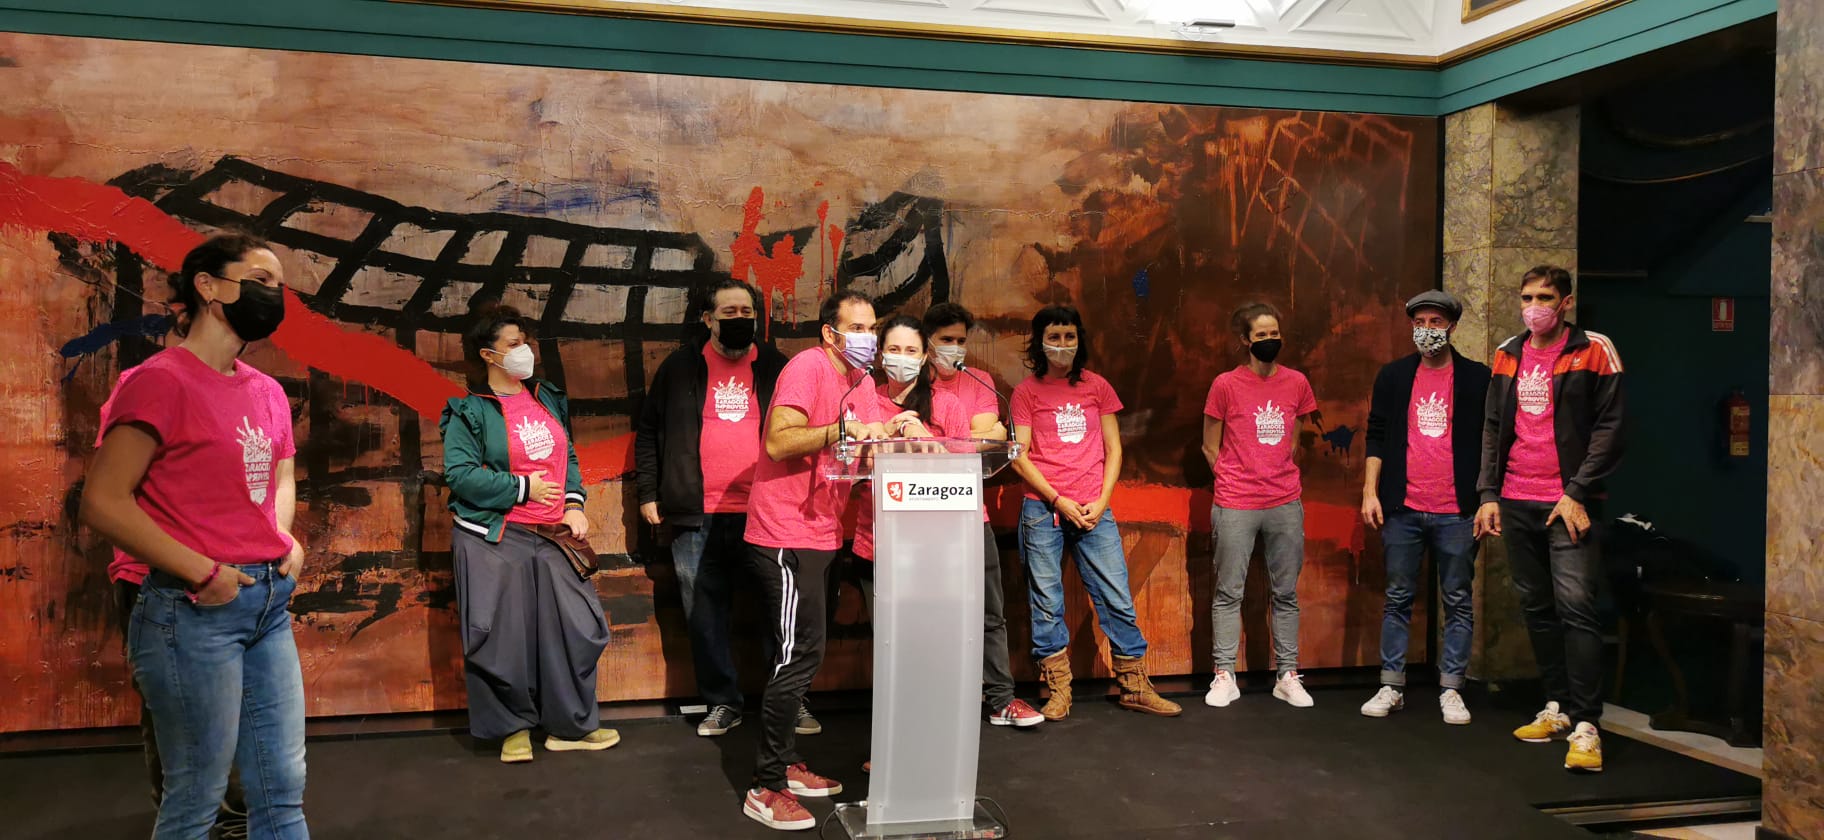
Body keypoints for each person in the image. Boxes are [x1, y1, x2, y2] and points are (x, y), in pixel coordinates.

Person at [80, 232, 309, 839]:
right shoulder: (159, 382)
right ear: (208, 286)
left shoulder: (266, 390)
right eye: (259, 280)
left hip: (267, 604)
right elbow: (102, 501)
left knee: (282, 788)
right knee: (197, 799)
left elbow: (280, 474)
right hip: (192, 606)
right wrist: (204, 572)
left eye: (278, 284)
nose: (273, 294)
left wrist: (282, 536)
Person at [634, 279, 820, 739]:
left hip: (768, 511)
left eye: (746, 312)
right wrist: (648, 492)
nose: (740, 319)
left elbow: (802, 430)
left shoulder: (777, 366)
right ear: (708, 319)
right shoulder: (679, 368)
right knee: (704, 615)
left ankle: (789, 702)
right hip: (695, 515)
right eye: (729, 312)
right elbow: (650, 432)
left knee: (779, 612)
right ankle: (722, 702)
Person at [439, 303, 617, 764]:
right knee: (502, 635)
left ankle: (570, 725)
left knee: (574, 628)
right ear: (489, 355)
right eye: (514, 344)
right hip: (495, 535)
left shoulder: (545, 396)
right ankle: (512, 728)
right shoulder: (470, 410)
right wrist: (522, 487)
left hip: (553, 533)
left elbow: (567, 454)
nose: (526, 351)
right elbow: (459, 474)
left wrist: (574, 503)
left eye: (526, 342)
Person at [741, 290, 891, 831]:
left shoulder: (863, 381)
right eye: (858, 328)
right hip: (784, 533)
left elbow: (866, 446)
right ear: (830, 333)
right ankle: (765, 785)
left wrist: (900, 431)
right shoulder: (808, 367)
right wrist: (841, 430)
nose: (868, 339)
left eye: (872, 328)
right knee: (796, 657)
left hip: (826, 532)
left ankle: (785, 762)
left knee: (809, 653)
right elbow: (778, 443)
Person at [1475, 265, 1624, 773]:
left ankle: (1587, 725)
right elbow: (1493, 426)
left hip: (1567, 505)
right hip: (1516, 499)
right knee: (1537, 608)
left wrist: (1577, 491)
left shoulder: (1594, 349)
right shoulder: (1508, 353)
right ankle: (1557, 706)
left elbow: (1611, 427)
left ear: (1566, 302)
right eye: (1527, 297)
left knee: (1576, 609)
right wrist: (1489, 494)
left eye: (1544, 297)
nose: (1534, 306)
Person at [1009, 305, 1180, 720]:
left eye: (1069, 336)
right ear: (1039, 342)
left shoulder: (1097, 386)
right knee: (1046, 602)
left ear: (1079, 339)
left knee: (1116, 596)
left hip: (1093, 509)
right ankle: (1057, 690)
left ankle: (1134, 686)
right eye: (1054, 337)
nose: (1062, 344)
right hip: (1043, 510)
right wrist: (1057, 499)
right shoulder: (1026, 392)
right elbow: (1019, 456)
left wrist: (1101, 501)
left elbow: (1114, 449)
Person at [100, 369, 251, 839]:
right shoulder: (146, 383)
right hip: (156, 577)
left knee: (238, 706)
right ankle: (194, 823)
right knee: (175, 714)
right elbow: (111, 493)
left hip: (228, 573)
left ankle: (232, 822)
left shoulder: (249, 387)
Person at [1359, 290, 1492, 724]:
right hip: (1404, 508)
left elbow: (1491, 441)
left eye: (1435, 322)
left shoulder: (1477, 378)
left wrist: (1488, 499)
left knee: (1458, 600)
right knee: (1397, 597)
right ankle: (1391, 685)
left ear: (1452, 326)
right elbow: (1376, 434)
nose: (1427, 330)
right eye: (1420, 323)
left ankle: (1452, 688)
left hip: (1457, 510)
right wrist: (1370, 491)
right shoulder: (1394, 376)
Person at [923, 303, 1045, 728]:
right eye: (946, 340)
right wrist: (971, 436)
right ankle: (938, 702)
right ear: (927, 341)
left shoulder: (979, 380)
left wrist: (944, 437)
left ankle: (1001, 700)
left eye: (961, 340)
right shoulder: (912, 386)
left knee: (990, 613)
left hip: (972, 514)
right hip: (920, 519)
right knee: (930, 616)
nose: (955, 348)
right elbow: (966, 436)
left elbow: (993, 436)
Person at [1201, 302, 1321, 709]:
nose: (1270, 341)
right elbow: (1210, 445)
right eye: (1261, 335)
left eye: (1274, 334)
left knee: (1285, 592)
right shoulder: (1225, 385)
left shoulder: (1297, 383)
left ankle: (1287, 675)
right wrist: (1234, 478)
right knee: (1228, 591)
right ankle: (1224, 674)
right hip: (1235, 501)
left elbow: (1294, 440)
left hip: (1284, 501)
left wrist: (1275, 473)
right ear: (1245, 340)